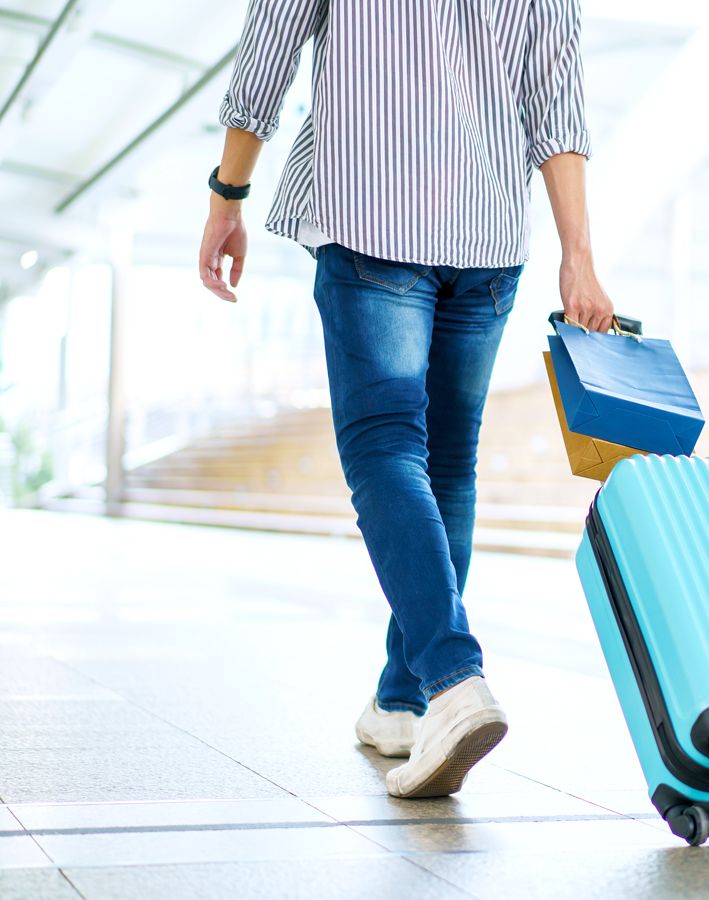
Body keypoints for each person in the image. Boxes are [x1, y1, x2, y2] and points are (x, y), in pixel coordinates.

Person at [198, 0, 613, 799]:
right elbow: (556, 102)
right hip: (488, 236)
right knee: (447, 466)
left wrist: (228, 195)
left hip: (372, 216)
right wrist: (578, 258)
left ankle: (456, 681)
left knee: (387, 450)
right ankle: (401, 700)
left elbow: (267, 54)